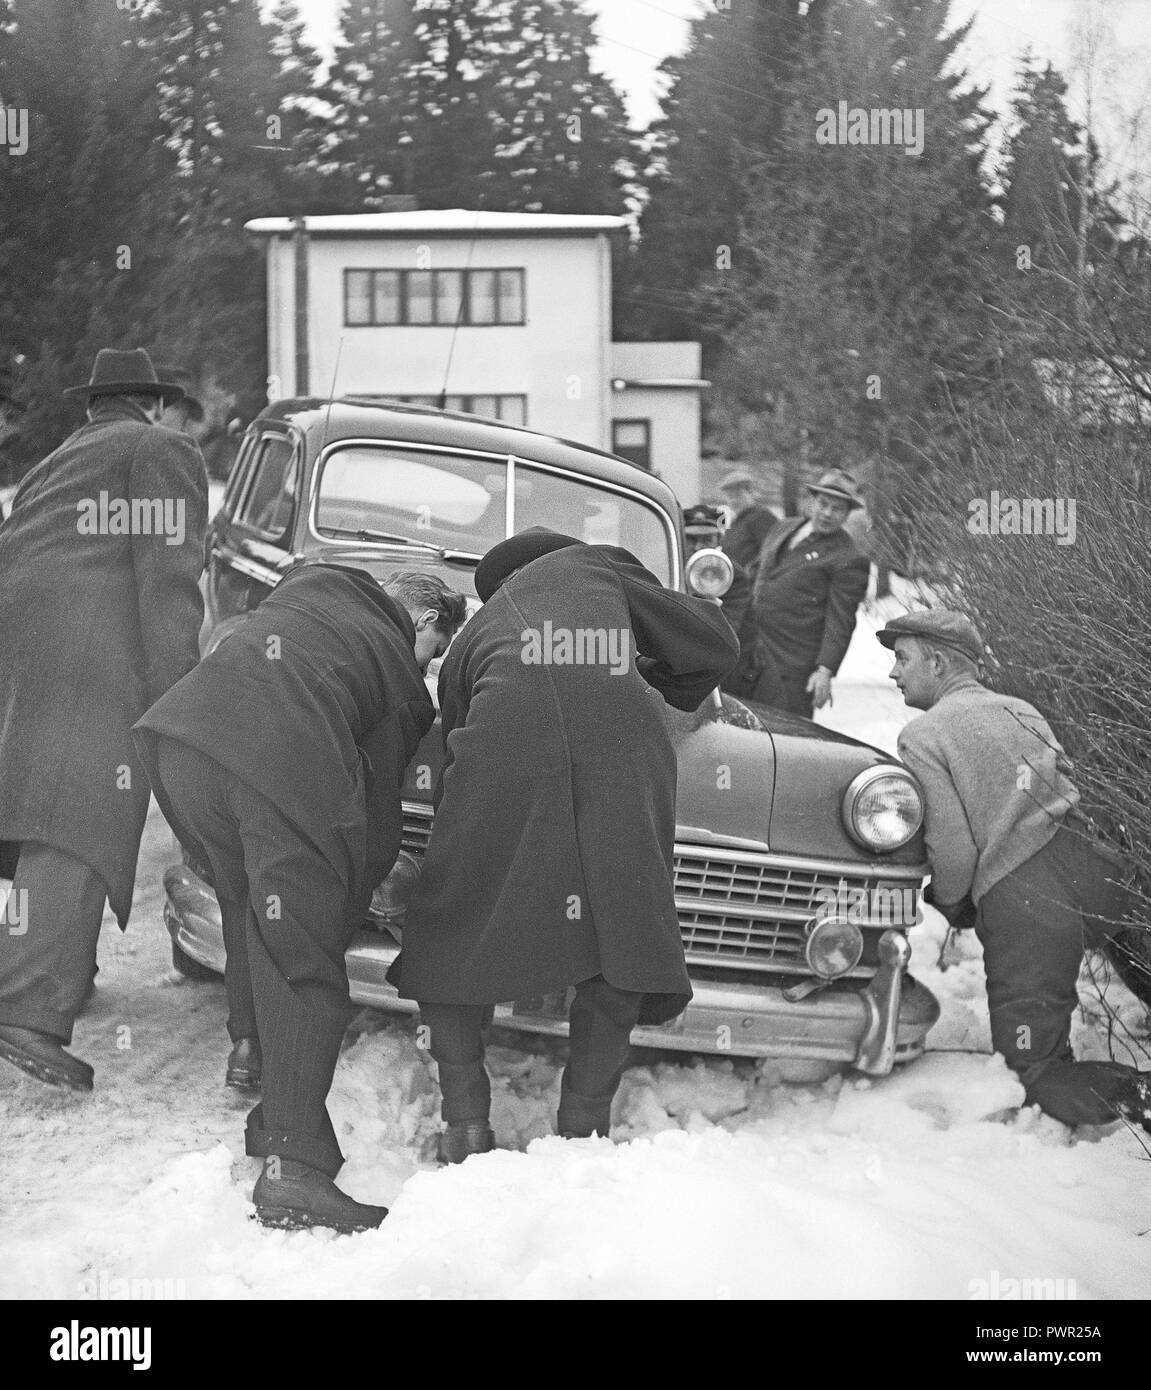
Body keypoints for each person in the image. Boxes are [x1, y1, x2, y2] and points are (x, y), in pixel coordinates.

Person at [133, 565, 468, 1233]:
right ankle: (295, 1174)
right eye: (434, 650)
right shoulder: (393, 663)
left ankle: (252, 1052)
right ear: (425, 623)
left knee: (252, 912)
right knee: (306, 966)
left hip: (179, 750)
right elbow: (372, 813)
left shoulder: (309, 604)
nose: (425, 665)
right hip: (272, 769)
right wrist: (359, 890)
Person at [393, 528, 740, 1163]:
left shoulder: (474, 635)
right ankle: (583, 1130)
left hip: (502, 752)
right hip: (625, 752)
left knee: (454, 932)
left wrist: (466, 856)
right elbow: (715, 643)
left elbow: (455, 748)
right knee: (621, 934)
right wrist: (650, 678)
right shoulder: (599, 566)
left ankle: (466, 1125)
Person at [0, 348, 208, 1092]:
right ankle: (27, 1010)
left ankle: (56, 971)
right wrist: (177, 692)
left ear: (93, 405)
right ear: (152, 404)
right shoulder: (161, 448)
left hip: (23, 659)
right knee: (79, 821)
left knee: (33, 818)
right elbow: (169, 576)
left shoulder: (55, 461)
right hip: (93, 661)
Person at [879, 608, 1150, 1133]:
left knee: (1031, 1069)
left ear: (936, 662)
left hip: (1026, 897)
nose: (894, 673)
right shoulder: (1022, 709)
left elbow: (953, 848)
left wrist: (951, 900)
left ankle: (1139, 1096)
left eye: (902, 659)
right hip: (1097, 865)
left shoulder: (924, 734)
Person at [724, 468, 869, 717]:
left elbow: (841, 620)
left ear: (847, 514)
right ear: (812, 501)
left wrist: (825, 671)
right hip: (748, 654)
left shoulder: (849, 558)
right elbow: (756, 572)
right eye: (823, 503)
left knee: (784, 743)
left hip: (790, 669)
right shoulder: (783, 528)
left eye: (837, 509)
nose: (827, 513)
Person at [682, 503, 752, 638]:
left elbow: (726, 630)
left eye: (707, 540)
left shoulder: (731, 575)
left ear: (719, 541)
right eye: (690, 539)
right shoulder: (668, 565)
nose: (698, 547)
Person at [717, 469, 777, 568]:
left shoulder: (761, 518)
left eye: (738, 495)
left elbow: (770, 554)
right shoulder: (736, 523)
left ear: (751, 493)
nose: (734, 501)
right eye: (729, 496)